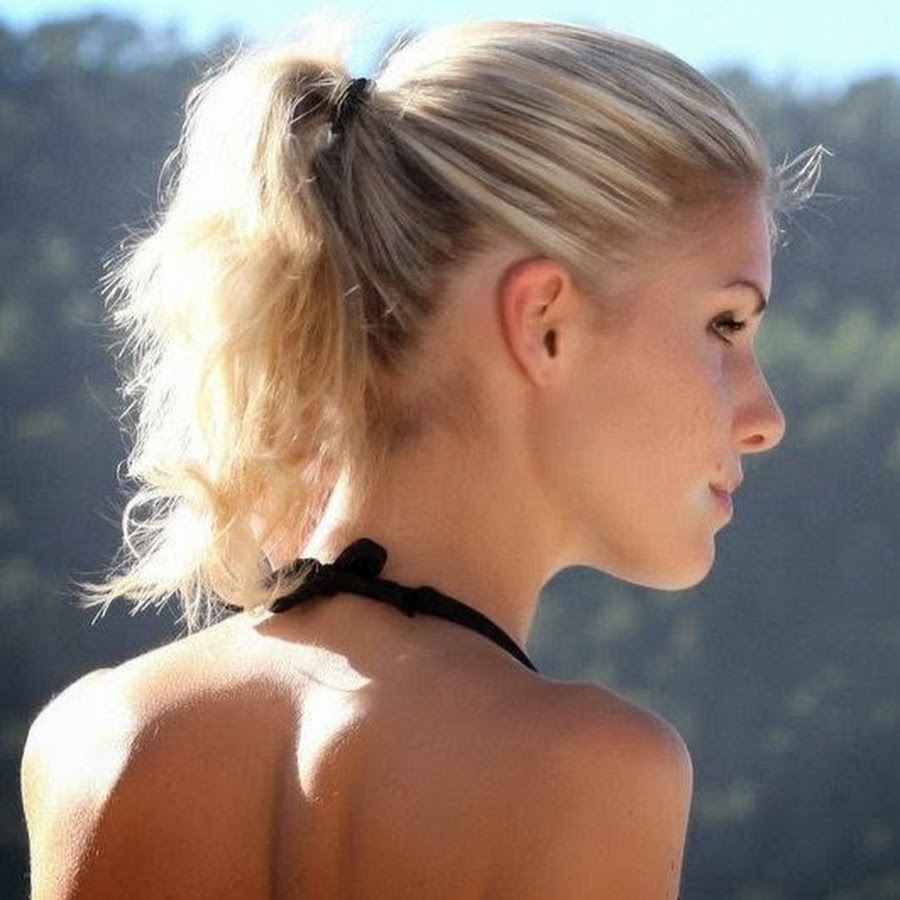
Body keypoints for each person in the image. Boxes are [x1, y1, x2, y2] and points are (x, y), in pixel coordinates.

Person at [21, 19, 821, 899]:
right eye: (725, 325)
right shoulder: (587, 771)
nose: (766, 419)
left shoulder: (96, 738)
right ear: (545, 323)